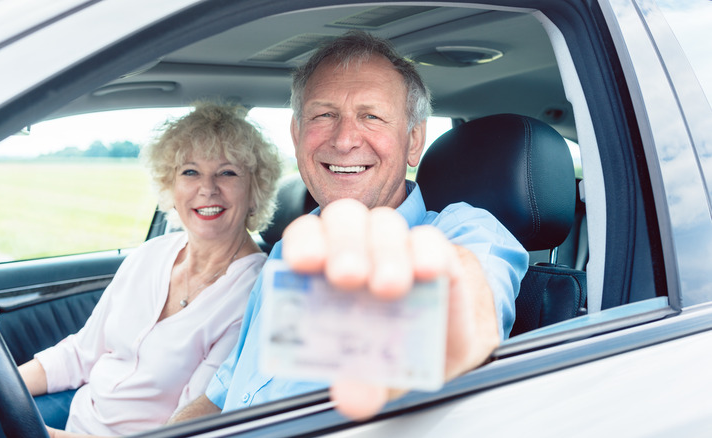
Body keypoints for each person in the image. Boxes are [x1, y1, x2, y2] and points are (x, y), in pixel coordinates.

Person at [171, 31, 529, 422]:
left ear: (413, 140)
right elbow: (224, 396)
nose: (344, 140)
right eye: (324, 115)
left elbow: (471, 301)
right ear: (296, 134)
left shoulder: (465, 233)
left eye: (371, 116)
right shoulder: (286, 251)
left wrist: (434, 327)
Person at [18, 102, 283, 436]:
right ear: (169, 186)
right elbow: (80, 354)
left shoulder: (254, 292)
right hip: (79, 413)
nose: (207, 188)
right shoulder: (150, 254)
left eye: (227, 172)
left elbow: (190, 421)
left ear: (255, 189)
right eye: (190, 171)